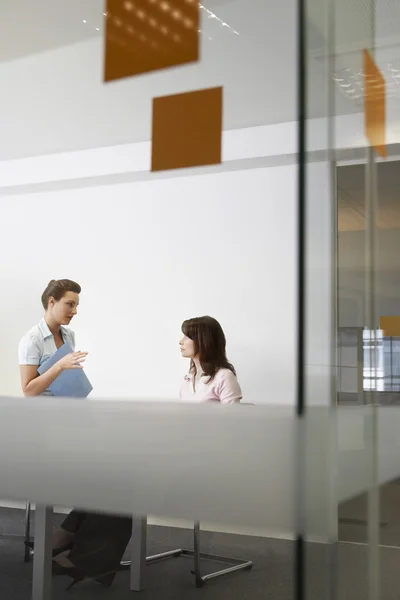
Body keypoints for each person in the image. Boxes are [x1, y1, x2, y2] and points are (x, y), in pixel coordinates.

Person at [19, 280, 132, 589]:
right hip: (44, 431)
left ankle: (68, 538)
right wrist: (60, 367)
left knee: (118, 478)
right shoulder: (31, 340)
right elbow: (29, 390)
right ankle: (75, 550)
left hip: (70, 423)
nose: (74, 311)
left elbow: (65, 381)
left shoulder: (67, 335)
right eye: (70, 304)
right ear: (52, 302)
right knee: (112, 480)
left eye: (77, 305)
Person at [179, 316, 242, 403]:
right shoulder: (187, 380)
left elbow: (233, 415)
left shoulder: (223, 376)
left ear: (204, 341)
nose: (181, 341)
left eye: (187, 336)